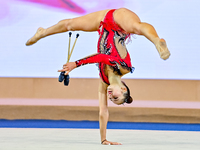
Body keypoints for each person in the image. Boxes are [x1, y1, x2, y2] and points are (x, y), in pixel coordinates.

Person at [25, 8, 170, 145]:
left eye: (111, 99)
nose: (111, 96)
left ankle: (42, 32)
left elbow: (103, 111)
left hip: (102, 23)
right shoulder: (124, 68)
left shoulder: (104, 80)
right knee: (137, 27)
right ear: (124, 89)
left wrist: (104, 139)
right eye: (116, 97)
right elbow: (102, 57)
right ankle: (157, 41)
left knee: (69, 24)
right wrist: (76, 64)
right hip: (118, 20)